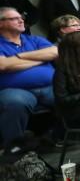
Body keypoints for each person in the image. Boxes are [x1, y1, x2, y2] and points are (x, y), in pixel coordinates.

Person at [0, 8, 57, 148]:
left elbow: (55, 52)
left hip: (49, 86)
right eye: (14, 18)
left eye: (21, 17)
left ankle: (57, 136)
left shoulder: (34, 39)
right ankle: (14, 149)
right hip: (14, 89)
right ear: (1, 23)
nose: (21, 20)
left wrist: (18, 57)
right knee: (15, 103)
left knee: (73, 95)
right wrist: (41, 59)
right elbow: (3, 65)